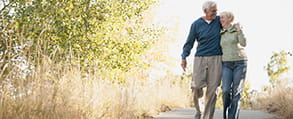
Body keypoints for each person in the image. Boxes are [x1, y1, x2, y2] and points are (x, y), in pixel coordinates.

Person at [180, 1, 222, 119]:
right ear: (205, 11)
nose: (216, 13)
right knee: (196, 86)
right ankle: (199, 110)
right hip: (200, 58)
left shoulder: (219, 21)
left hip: (216, 58)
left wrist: (237, 27)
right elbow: (189, 42)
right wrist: (184, 57)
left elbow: (229, 24)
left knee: (213, 91)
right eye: (213, 11)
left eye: (216, 10)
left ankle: (207, 117)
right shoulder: (196, 24)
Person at [219, 11, 248, 119]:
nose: (220, 19)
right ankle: (226, 113)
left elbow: (244, 43)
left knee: (236, 92)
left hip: (240, 62)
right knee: (226, 90)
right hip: (226, 63)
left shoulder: (236, 29)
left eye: (222, 17)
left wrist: (240, 30)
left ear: (229, 19)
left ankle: (232, 117)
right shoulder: (220, 32)